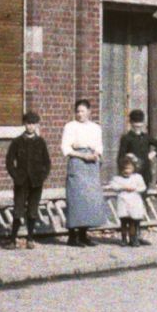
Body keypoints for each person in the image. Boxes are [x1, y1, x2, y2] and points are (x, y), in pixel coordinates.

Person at [59, 98, 107, 246]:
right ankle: (72, 237)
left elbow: (99, 145)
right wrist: (82, 155)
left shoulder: (95, 128)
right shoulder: (70, 126)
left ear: (89, 112)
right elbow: (66, 148)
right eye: (77, 111)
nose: (80, 114)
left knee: (89, 198)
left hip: (91, 163)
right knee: (76, 198)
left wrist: (96, 155)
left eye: (83, 111)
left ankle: (84, 234)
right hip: (77, 161)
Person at [3, 110, 50, 249]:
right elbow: (9, 161)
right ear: (24, 124)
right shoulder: (17, 142)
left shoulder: (41, 142)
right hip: (21, 182)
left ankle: (30, 238)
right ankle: (13, 240)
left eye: (33, 124)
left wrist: (41, 177)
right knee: (18, 210)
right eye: (28, 123)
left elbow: (46, 163)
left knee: (32, 210)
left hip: (35, 183)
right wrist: (16, 176)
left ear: (37, 125)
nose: (30, 126)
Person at [117, 108, 157, 192]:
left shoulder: (146, 137)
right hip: (131, 173)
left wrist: (153, 153)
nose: (138, 126)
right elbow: (120, 157)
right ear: (131, 123)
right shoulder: (126, 138)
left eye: (140, 123)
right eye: (135, 123)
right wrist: (128, 158)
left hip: (145, 172)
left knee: (143, 197)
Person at [109, 154, 148, 247]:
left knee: (132, 222)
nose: (127, 171)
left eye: (129, 169)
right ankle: (123, 239)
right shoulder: (118, 178)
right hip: (123, 202)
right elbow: (113, 186)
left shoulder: (137, 177)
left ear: (133, 168)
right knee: (124, 222)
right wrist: (123, 187)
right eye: (124, 169)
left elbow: (142, 187)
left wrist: (134, 188)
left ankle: (133, 238)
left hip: (134, 202)